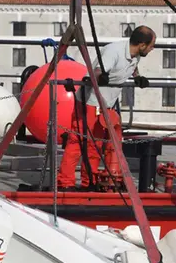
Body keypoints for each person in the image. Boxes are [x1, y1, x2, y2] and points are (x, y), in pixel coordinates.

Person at [57, 26, 155, 190]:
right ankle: (65, 183)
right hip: (90, 101)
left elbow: (132, 66)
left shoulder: (135, 55)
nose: (153, 49)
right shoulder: (113, 52)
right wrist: (100, 77)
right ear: (142, 45)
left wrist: (137, 78)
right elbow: (94, 72)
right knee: (78, 141)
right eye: (152, 45)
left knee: (96, 145)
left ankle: (90, 182)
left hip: (106, 103)